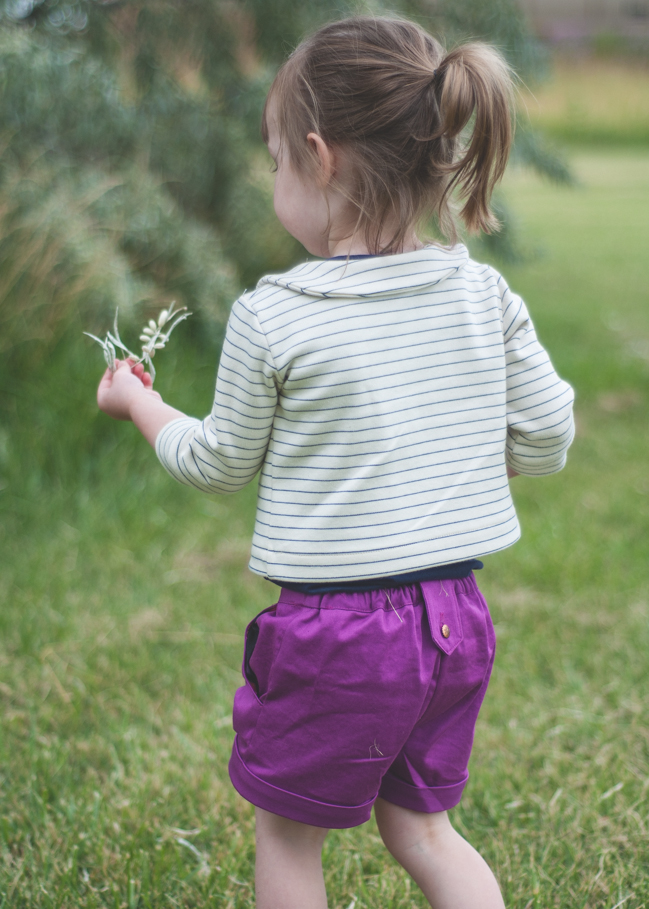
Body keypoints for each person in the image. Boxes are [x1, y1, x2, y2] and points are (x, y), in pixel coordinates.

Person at [96, 16, 574, 909]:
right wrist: (462, 466)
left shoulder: (276, 313)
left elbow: (217, 462)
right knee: (423, 831)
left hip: (339, 635)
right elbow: (549, 433)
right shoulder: (482, 291)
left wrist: (138, 402)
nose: (277, 176)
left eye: (276, 159)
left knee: (287, 835)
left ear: (318, 157)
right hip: (455, 622)